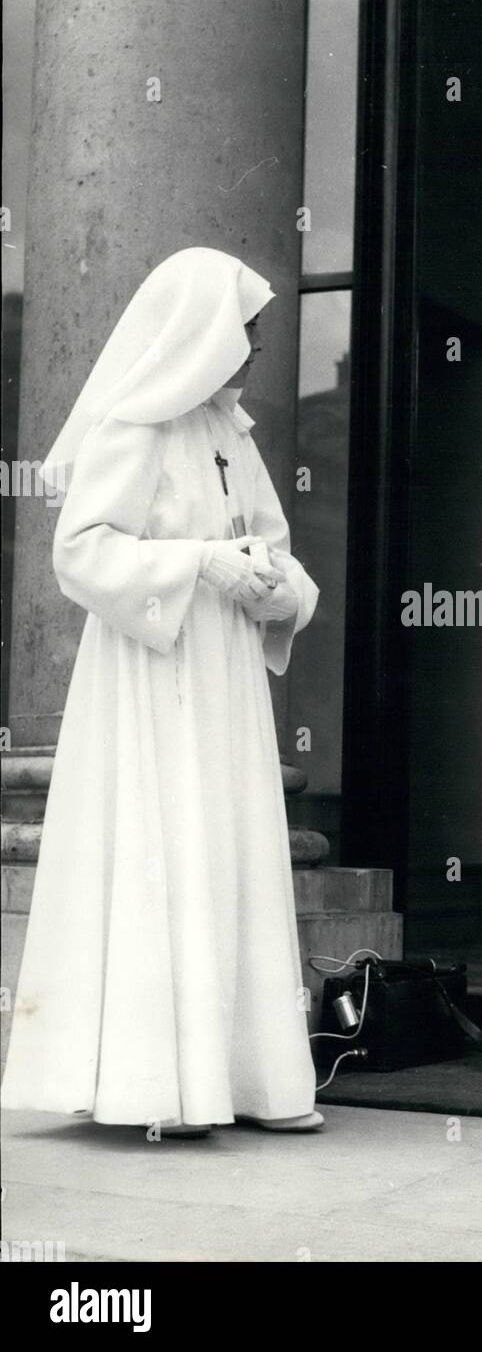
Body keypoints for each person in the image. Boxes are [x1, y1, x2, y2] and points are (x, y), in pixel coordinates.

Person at [1, 247, 323, 1136]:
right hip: (152, 670)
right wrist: (199, 563)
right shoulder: (134, 428)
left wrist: (278, 588)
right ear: (202, 333)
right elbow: (82, 552)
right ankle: (158, 1086)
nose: (255, 352)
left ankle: (249, 1080)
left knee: (229, 851)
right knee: (162, 845)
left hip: (222, 667)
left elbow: (271, 542)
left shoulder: (232, 434)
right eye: (246, 333)